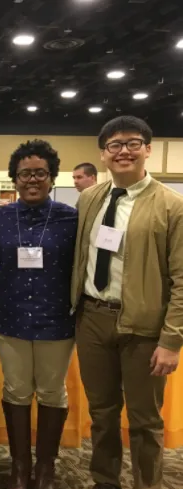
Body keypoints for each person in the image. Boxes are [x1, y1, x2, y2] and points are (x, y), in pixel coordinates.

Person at [71, 115, 183, 489]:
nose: (123, 151)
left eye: (133, 143)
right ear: (103, 155)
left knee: (145, 420)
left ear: (148, 150)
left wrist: (171, 340)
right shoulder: (90, 198)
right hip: (93, 319)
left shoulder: (171, 206)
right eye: (114, 145)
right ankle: (105, 481)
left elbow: (182, 279)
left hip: (144, 328)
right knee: (102, 415)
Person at [0, 140, 77, 489]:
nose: (32, 179)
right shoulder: (0, 217)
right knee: (17, 391)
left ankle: (46, 468)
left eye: (40, 172)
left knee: (53, 393)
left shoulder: (71, 218)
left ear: (52, 177)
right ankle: (20, 468)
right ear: (15, 178)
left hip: (56, 321)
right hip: (10, 319)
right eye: (25, 173)